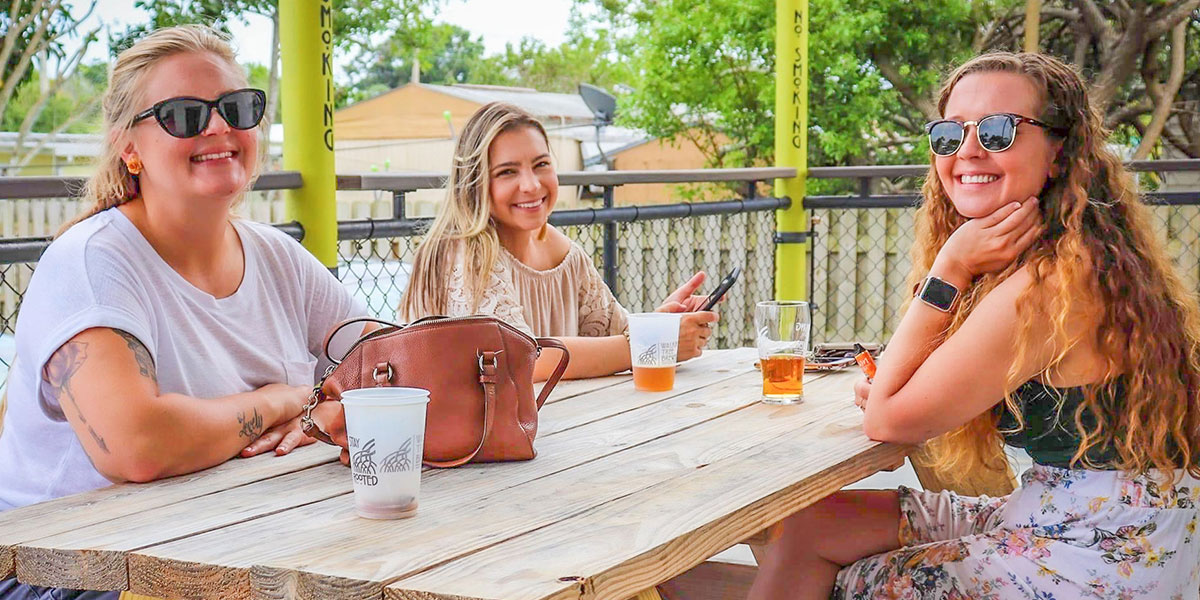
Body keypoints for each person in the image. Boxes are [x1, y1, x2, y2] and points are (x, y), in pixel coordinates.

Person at [749, 52, 1200, 599]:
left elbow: (888, 421)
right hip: (1090, 516)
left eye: (997, 130)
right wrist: (897, 382)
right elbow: (906, 388)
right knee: (810, 526)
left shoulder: (1054, 283)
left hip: (1098, 552)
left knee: (851, 582)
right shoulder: (1063, 255)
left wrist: (950, 269)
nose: (967, 150)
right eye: (950, 134)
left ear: (1059, 151)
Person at [0, 25, 364, 598]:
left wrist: (329, 412)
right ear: (129, 148)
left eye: (237, 108)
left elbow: (397, 365)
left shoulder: (278, 258)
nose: (219, 127)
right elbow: (137, 446)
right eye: (184, 115)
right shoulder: (92, 262)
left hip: (237, 544)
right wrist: (283, 400)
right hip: (74, 574)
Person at [399, 102, 719, 380]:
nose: (531, 184)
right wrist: (653, 342)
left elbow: (613, 335)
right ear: (475, 182)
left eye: (541, 165)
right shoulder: (465, 253)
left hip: (562, 421)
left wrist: (662, 323)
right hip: (471, 433)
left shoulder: (565, 252)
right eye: (507, 172)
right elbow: (523, 361)